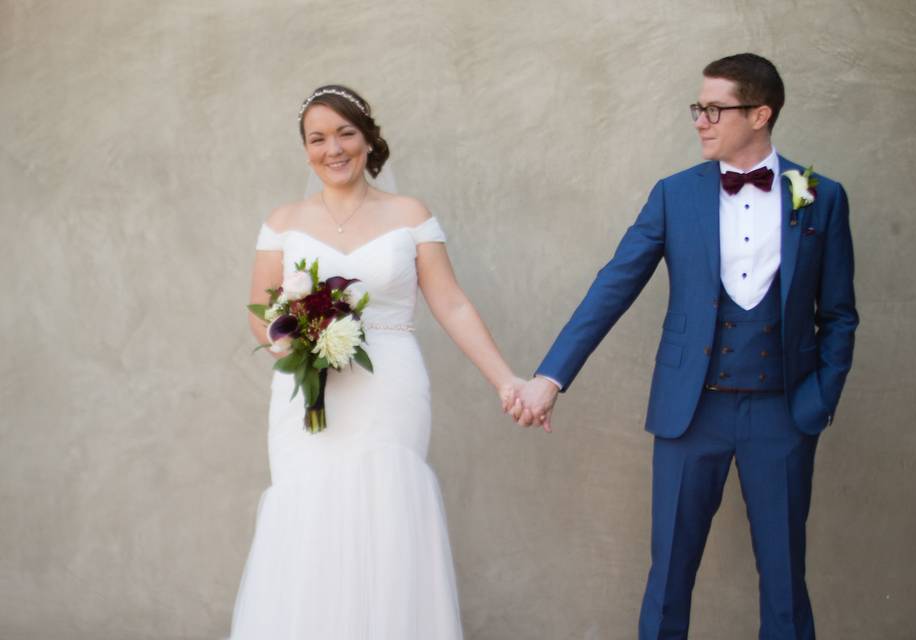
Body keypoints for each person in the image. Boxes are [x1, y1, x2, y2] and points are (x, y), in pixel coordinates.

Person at [512, 54, 858, 639]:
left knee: (784, 583)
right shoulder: (674, 195)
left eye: (714, 109)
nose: (699, 120)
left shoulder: (820, 195)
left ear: (761, 113)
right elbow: (612, 287)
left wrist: (818, 400)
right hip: (689, 413)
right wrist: (551, 377)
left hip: (784, 413)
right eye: (698, 108)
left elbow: (840, 314)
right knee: (669, 577)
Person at [229, 84, 523, 639]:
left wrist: (505, 381)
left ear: (367, 139)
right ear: (306, 149)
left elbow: (452, 303)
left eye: (344, 133)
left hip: (390, 382)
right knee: (309, 515)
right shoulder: (284, 220)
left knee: (386, 511)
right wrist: (294, 340)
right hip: (308, 393)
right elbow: (261, 309)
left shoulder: (409, 214)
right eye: (317, 139)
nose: (332, 149)